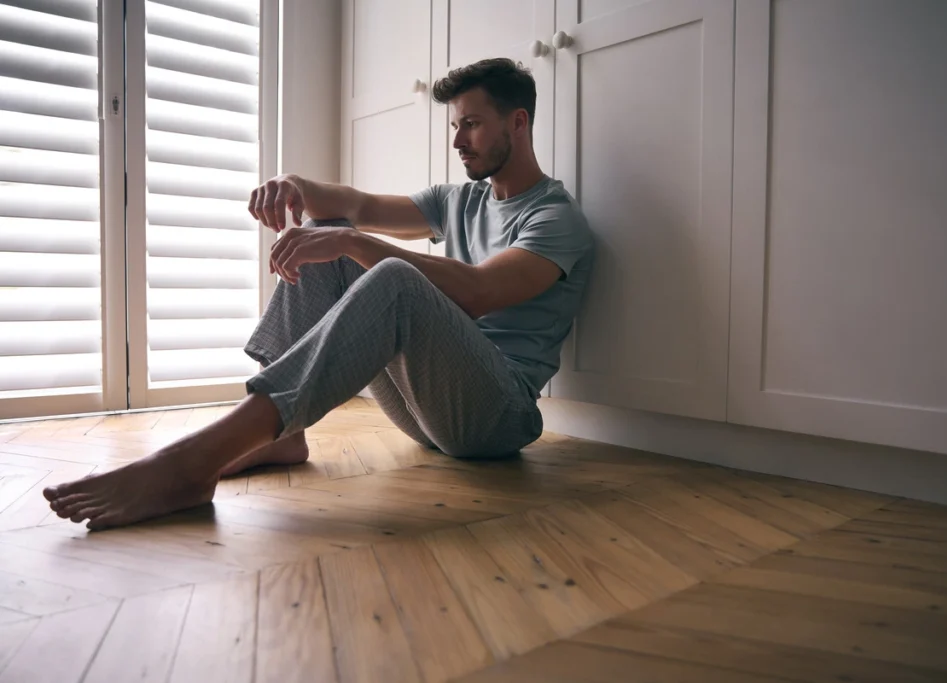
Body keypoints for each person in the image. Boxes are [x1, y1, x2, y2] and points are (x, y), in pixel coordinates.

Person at [43, 57, 594, 530]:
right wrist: (296, 187)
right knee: (329, 234)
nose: (457, 141)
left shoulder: (555, 217)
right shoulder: (459, 200)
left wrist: (351, 240)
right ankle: (283, 434)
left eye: (471, 125)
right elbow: (355, 206)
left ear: (517, 123)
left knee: (383, 269)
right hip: (428, 412)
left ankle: (193, 462)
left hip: (496, 418)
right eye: (455, 125)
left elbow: (478, 292)